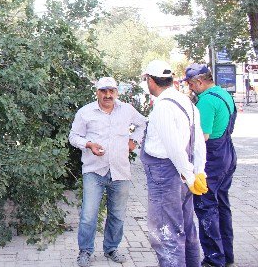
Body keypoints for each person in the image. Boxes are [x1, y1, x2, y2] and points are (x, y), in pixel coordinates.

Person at [69, 76, 147, 266]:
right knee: (89, 215)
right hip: (94, 171)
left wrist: (134, 141)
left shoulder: (127, 110)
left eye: (111, 91)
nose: (107, 95)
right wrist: (88, 144)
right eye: (103, 91)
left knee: (117, 214)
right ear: (97, 92)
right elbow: (73, 136)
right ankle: (85, 251)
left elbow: (143, 124)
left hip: (120, 171)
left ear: (116, 92)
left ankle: (111, 248)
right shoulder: (85, 112)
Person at [141, 60, 208, 267]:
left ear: (151, 80)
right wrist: (198, 171)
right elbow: (197, 141)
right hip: (184, 173)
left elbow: (173, 147)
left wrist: (189, 174)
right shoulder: (186, 101)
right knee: (187, 228)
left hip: (166, 174)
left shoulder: (163, 106)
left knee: (166, 233)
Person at [183, 63, 237, 267]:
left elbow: (202, 137)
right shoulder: (225, 94)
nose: (190, 88)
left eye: (190, 84)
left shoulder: (205, 102)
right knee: (222, 205)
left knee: (206, 206)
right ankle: (227, 254)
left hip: (212, 160)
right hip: (228, 155)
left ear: (199, 81)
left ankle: (214, 259)